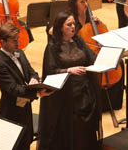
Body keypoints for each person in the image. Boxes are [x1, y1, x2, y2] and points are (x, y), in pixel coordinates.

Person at [38, 11, 102, 150]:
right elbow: (50, 71)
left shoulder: (79, 41)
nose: (73, 26)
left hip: (85, 92)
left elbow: (91, 58)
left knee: (85, 130)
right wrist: (68, 70)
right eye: (69, 24)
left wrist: (105, 57)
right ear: (60, 27)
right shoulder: (52, 47)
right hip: (66, 96)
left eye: (74, 23)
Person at [0, 22, 50, 150]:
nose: (18, 43)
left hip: (25, 109)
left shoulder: (20, 53)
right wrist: (35, 92)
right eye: (14, 41)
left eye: (17, 39)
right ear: (2, 41)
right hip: (11, 112)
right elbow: (12, 89)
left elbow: (32, 72)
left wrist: (34, 80)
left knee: (26, 143)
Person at [67, 0, 124, 111]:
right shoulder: (71, 20)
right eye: (82, 2)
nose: (86, 4)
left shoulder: (91, 17)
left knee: (119, 62)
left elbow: (104, 34)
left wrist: (99, 23)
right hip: (78, 56)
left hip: (95, 52)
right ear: (74, 3)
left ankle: (115, 103)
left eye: (87, 1)